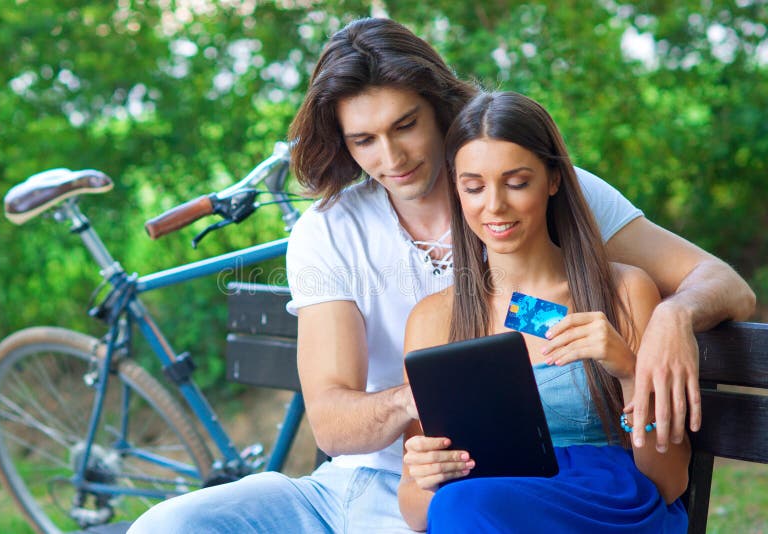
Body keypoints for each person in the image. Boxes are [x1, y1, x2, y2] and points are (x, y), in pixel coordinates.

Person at [129, 17, 754, 533]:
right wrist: (437, 391)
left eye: (405, 126)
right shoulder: (343, 241)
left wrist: (670, 321)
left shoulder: (552, 197)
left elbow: (717, 283)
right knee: (168, 527)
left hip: (502, 495)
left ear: (439, 109)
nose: (392, 158)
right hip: (370, 486)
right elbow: (337, 424)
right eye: (364, 140)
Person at [399, 90, 691, 532]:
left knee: (463, 507)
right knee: (457, 505)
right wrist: (425, 475)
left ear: (553, 179)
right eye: (473, 186)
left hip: (609, 502)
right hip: (487, 506)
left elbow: (669, 484)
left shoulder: (622, 291)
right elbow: (416, 513)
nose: (494, 205)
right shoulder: (433, 319)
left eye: (516, 182)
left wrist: (630, 374)